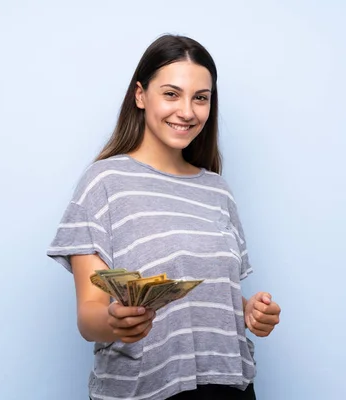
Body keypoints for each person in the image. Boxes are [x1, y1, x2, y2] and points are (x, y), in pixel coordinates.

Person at [47, 34, 281, 400]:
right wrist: (115, 321)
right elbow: (89, 315)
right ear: (140, 95)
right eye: (171, 94)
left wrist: (249, 310)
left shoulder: (218, 190)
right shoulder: (105, 183)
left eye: (200, 98)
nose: (187, 111)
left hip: (229, 387)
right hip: (144, 391)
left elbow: (214, 294)